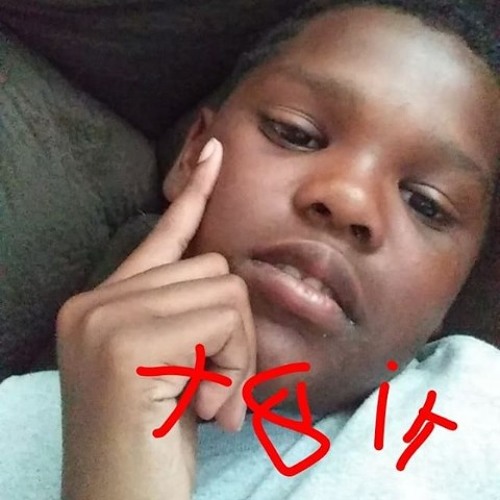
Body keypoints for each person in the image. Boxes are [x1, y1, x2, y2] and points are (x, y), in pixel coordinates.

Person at [0, 0, 499, 498]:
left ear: (454, 294)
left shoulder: (474, 416)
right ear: (193, 155)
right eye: (296, 134)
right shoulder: (13, 427)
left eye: (426, 204)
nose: (349, 200)